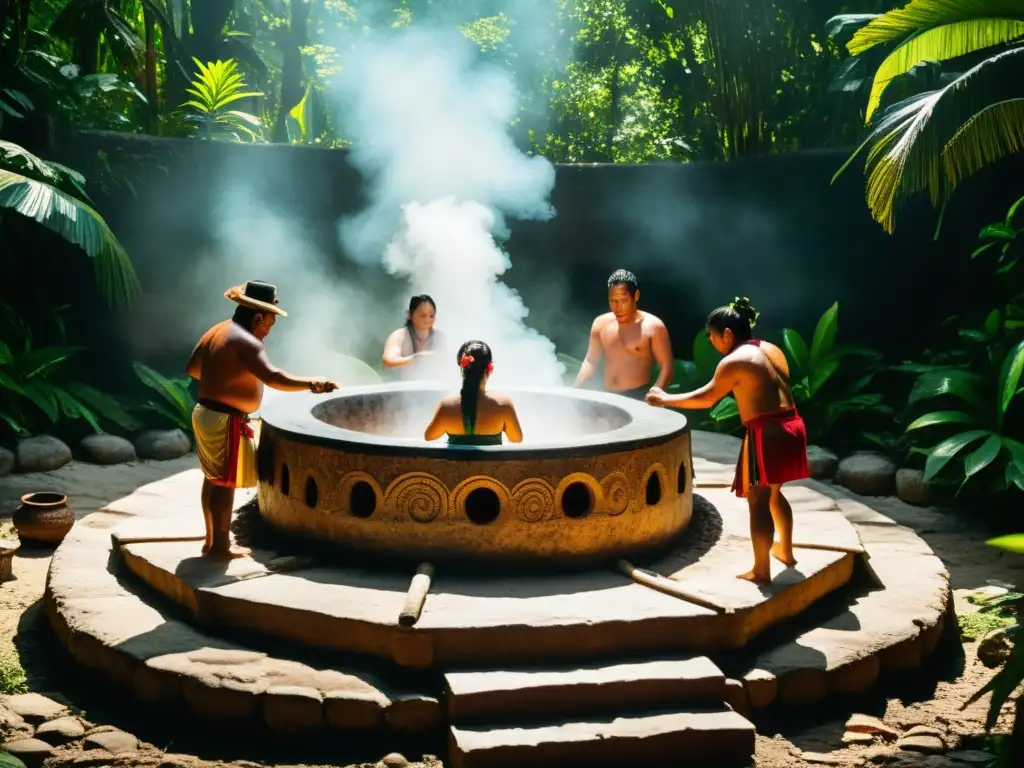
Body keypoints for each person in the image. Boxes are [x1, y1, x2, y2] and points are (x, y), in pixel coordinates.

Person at [645, 298, 809, 583]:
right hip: (792, 424)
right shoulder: (771, 349)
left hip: (766, 433)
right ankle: (787, 552)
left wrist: (664, 399)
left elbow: (707, 398)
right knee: (774, 494)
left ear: (728, 334)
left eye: (712, 336)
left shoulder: (735, 361)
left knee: (758, 501)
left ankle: (761, 570)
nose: (711, 342)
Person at [186, 281, 340, 559]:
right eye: (270, 321)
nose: (270, 328)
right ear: (257, 317)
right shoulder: (246, 341)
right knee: (223, 484)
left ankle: (212, 542)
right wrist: (313, 383)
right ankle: (219, 546)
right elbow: (273, 377)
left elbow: (194, 368)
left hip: (206, 413)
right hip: (224, 418)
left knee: (214, 480)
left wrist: (225, 379)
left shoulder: (217, 331)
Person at [572, 269, 674, 400]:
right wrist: (575, 389)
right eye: (613, 301)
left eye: (623, 300)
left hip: (638, 395)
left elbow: (666, 366)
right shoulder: (600, 323)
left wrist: (656, 394)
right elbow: (591, 361)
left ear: (636, 296)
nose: (618, 307)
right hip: (607, 394)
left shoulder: (653, 326)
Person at [424, 340, 523, 446]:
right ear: (489, 369)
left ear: (462, 368)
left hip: (456, 462)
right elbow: (516, 439)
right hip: (491, 463)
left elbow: (429, 437)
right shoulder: (503, 405)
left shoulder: (447, 406)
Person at [382, 295, 447, 379]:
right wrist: (415, 359)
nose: (428, 319)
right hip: (400, 386)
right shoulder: (400, 335)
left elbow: (445, 363)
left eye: (431, 316)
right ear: (410, 314)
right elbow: (388, 360)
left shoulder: (439, 337)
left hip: (430, 385)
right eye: (423, 315)